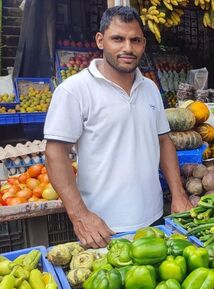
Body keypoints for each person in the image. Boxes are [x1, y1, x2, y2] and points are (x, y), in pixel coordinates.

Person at [44, 6, 192, 248]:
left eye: (135, 40)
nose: (127, 48)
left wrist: (178, 194)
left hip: (154, 219)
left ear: (144, 43)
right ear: (100, 41)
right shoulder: (74, 90)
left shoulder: (150, 89)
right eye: (118, 39)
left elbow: (163, 141)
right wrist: (80, 215)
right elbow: (55, 154)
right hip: (102, 228)